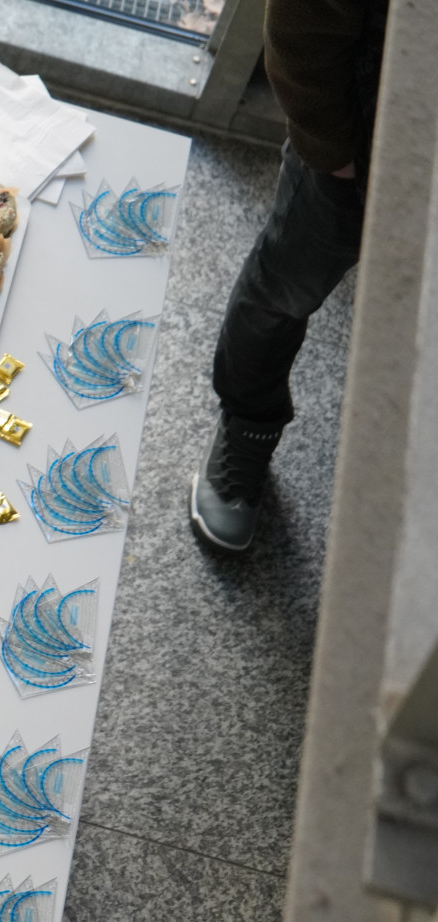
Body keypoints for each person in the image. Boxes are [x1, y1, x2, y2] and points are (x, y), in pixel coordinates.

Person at [192, 0, 389, 551]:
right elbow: (305, 23)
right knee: (283, 292)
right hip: (354, 156)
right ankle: (249, 420)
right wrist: (331, 151)